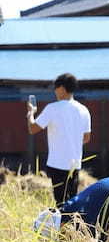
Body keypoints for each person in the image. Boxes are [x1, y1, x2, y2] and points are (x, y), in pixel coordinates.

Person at [27, 73, 91, 205]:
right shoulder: (84, 110)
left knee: (60, 203)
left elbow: (33, 129)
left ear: (61, 88)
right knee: (73, 201)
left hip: (57, 164)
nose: (55, 91)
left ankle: (62, 224)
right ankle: (73, 224)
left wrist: (30, 113)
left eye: (55, 88)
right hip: (75, 164)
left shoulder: (52, 108)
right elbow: (86, 138)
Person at [33, 175, 109, 242]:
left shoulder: (82, 218)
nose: (64, 241)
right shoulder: (68, 209)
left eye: (61, 238)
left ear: (61, 226)